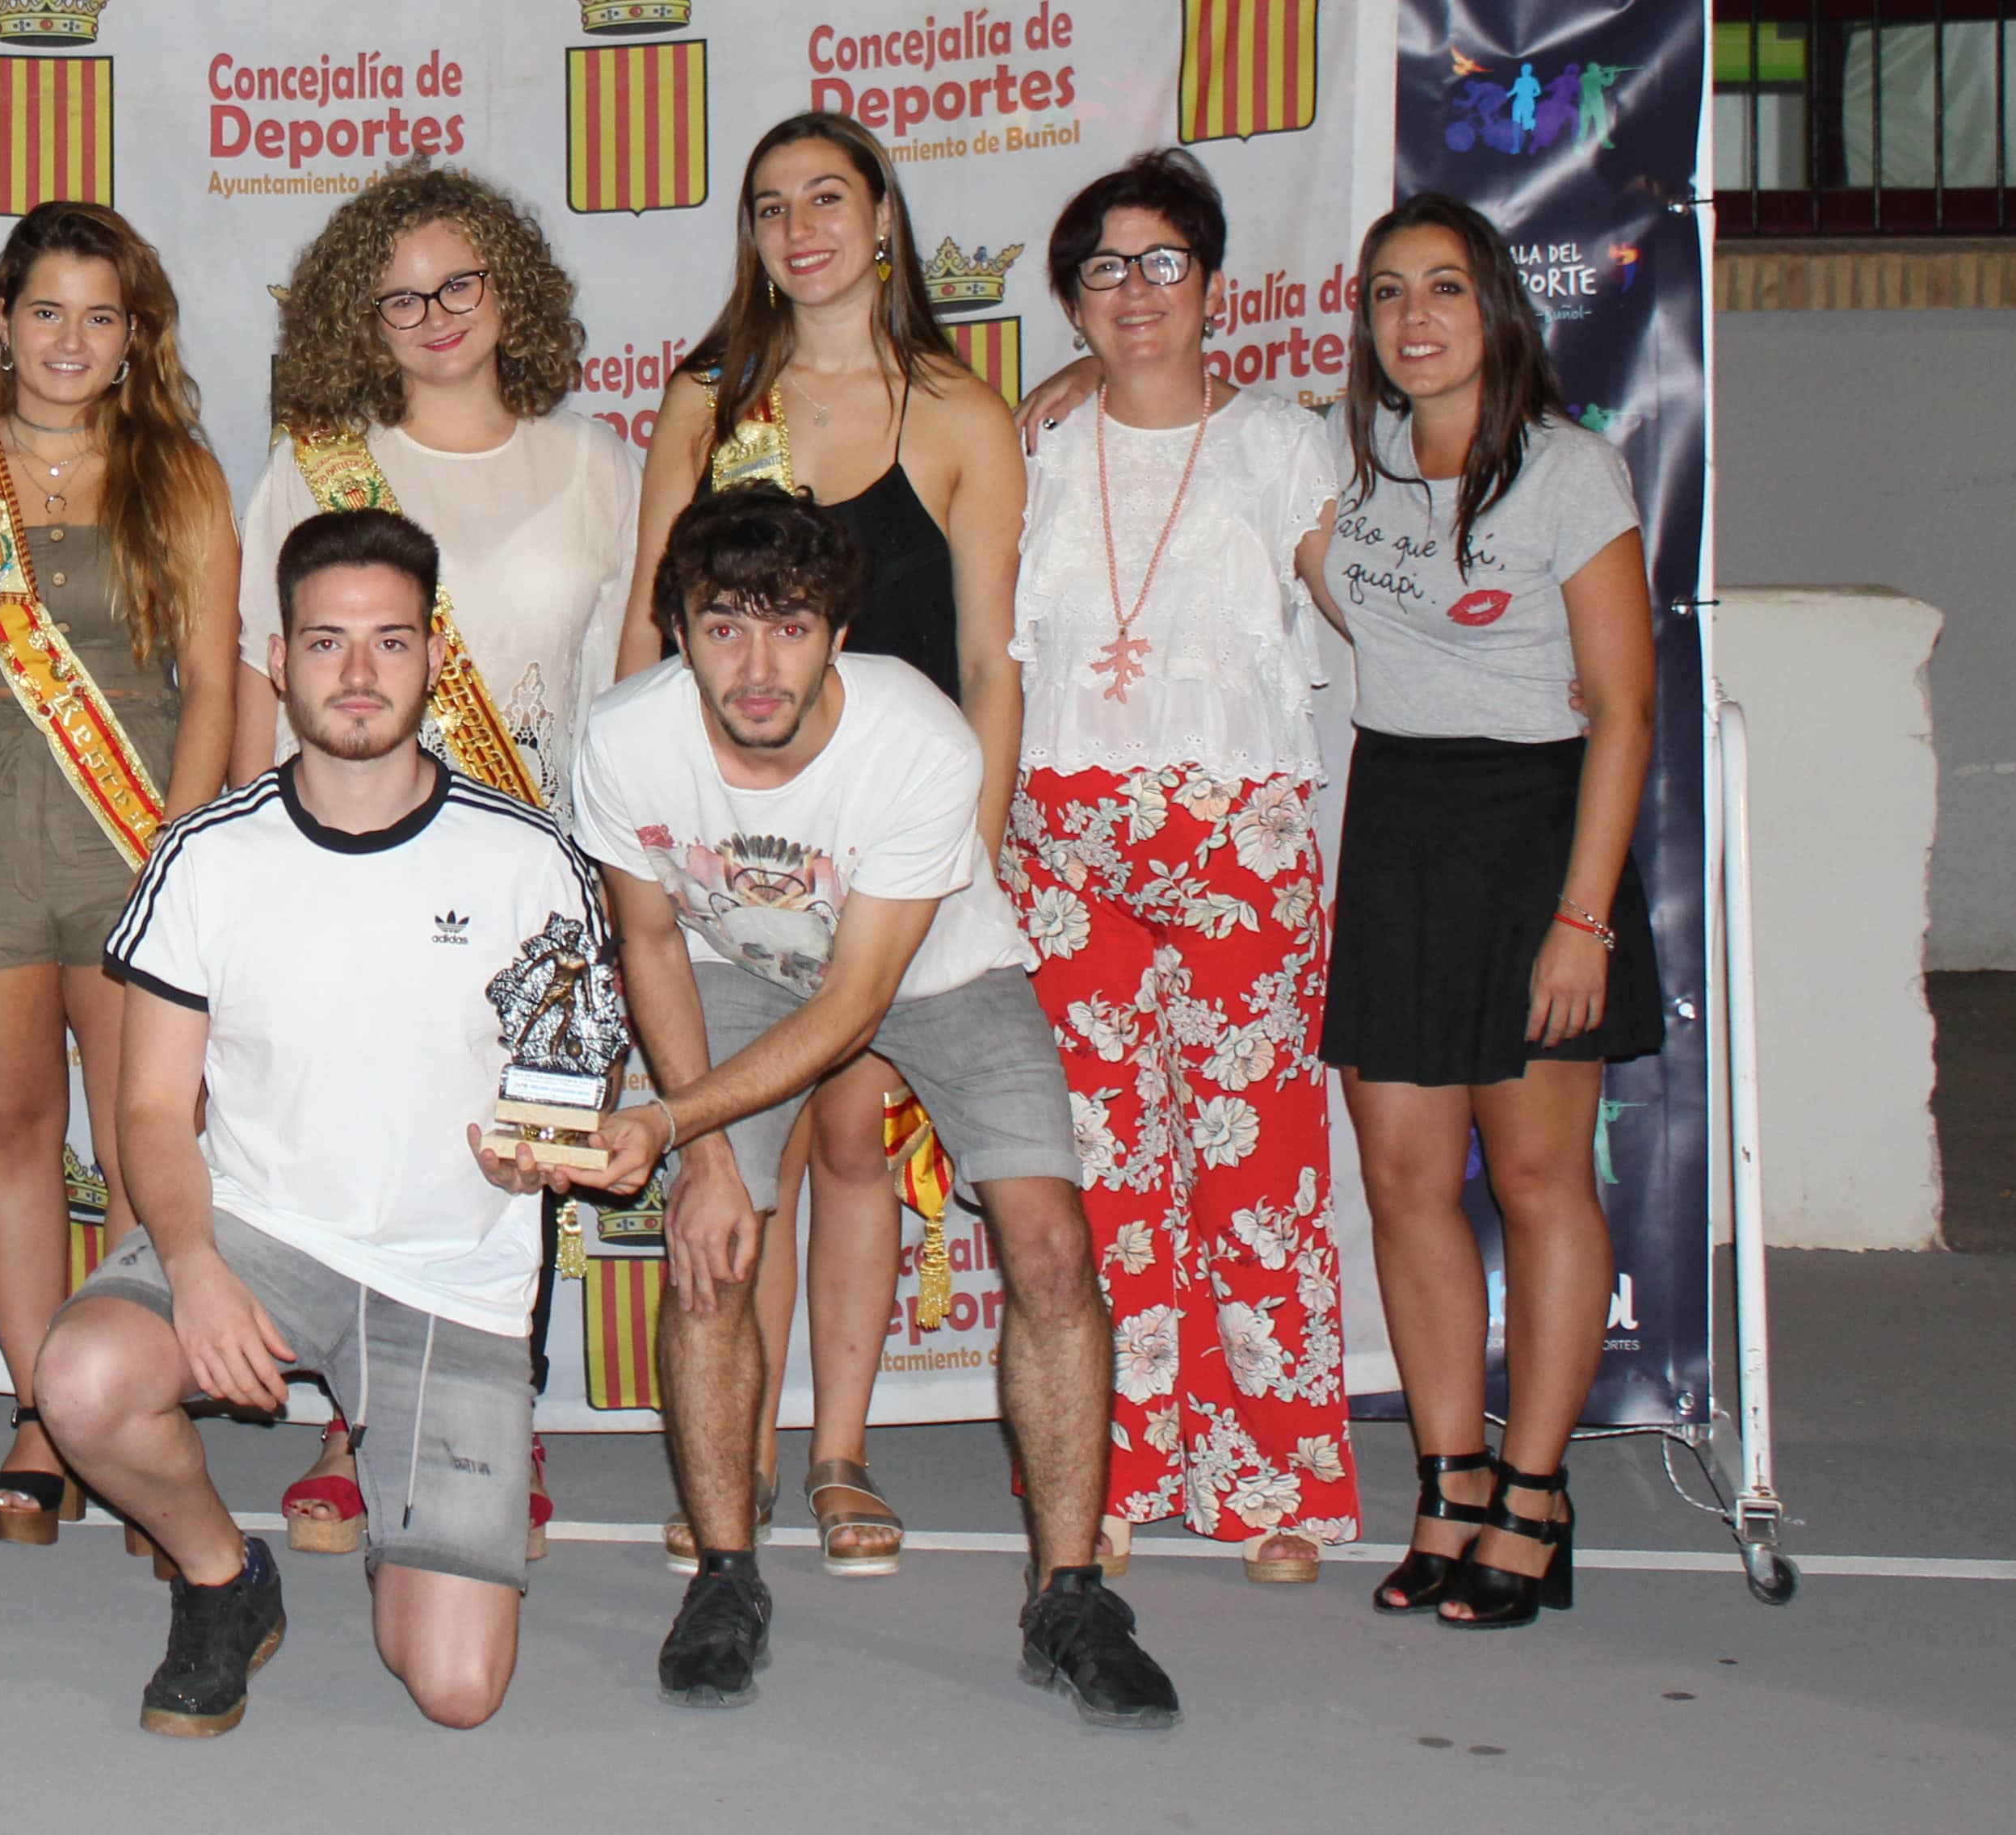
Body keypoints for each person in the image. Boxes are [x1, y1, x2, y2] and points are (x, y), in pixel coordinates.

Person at [569, 486, 1171, 1728]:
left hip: (932, 970)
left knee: (1053, 1248)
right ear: (678, 633)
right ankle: (724, 1578)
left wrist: (671, 1124)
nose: (756, 666)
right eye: (723, 627)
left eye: (790, 628)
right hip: (733, 964)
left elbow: (854, 1006)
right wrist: (704, 1156)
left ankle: (1071, 1599)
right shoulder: (624, 738)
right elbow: (653, 943)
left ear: (839, 634)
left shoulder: (918, 740)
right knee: (707, 1245)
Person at [36, 506, 595, 1736]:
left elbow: (566, 1089)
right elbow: (149, 1109)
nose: (358, 674)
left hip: (451, 1279)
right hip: (262, 1238)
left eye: (390, 642)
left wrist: (548, 1147)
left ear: (433, 655)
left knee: (454, 1688)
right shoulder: (207, 856)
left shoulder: (529, 859)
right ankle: (221, 1578)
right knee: (82, 1378)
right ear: (278, 660)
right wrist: (195, 1268)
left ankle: (412, 1500)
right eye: (327, 642)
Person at [624, 111, 1027, 1574]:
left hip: (894, 849)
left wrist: (960, 862)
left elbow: (990, 668)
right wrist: (637, 827)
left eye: (827, 199)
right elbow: (651, 628)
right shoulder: (710, 399)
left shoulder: (965, 415)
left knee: (856, 1138)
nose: (799, 230)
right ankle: (731, 1457)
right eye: (770, 206)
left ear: (883, 220)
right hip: (730, 854)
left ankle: (842, 1452)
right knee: (749, 1148)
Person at [238, 162, 640, 1551]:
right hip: (353, 859)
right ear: (360, 323)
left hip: (539, 868)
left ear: (507, 288)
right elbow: (264, 678)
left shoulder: (597, 465)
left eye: (458, 283)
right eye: (399, 299)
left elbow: (625, 689)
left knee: (522, 1139)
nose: (436, 315)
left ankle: (497, 1413)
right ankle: (358, 1417)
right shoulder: (314, 468)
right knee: (370, 1133)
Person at [1003, 147, 1354, 1580]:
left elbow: (1356, 596)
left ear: (1212, 284)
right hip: (1061, 844)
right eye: (1105, 268)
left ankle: (1274, 1484)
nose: (1135, 290)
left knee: (1257, 1162)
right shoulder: (1031, 447)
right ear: (1070, 300)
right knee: (1099, 1174)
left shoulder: (1285, 444)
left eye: (1164, 262)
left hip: (1240, 842)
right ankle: (1112, 1472)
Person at [0, 199, 237, 1544]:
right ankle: (41, 1411)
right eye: (45, 313)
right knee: (13, 1134)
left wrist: (180, 855)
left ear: (135, 337)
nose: (70, 341)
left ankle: (135, 1415)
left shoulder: (181, 475)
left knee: (143, 1142)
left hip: (135, 836)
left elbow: (213, 688)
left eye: (99, 317)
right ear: (2, 325)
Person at [1321, 196, 1660, 1627]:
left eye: (1444, 288)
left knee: (1536, 1182)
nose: (1415, 318)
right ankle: (1450, 1480)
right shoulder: (1355, 458)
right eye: (1389, 293)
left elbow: (1626, 709)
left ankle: (1534, 1493)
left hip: (1534, 840)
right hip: (1397, 825)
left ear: (1496, 306)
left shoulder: (1573, 470)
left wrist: (1582, 920)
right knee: (1405, 1184)